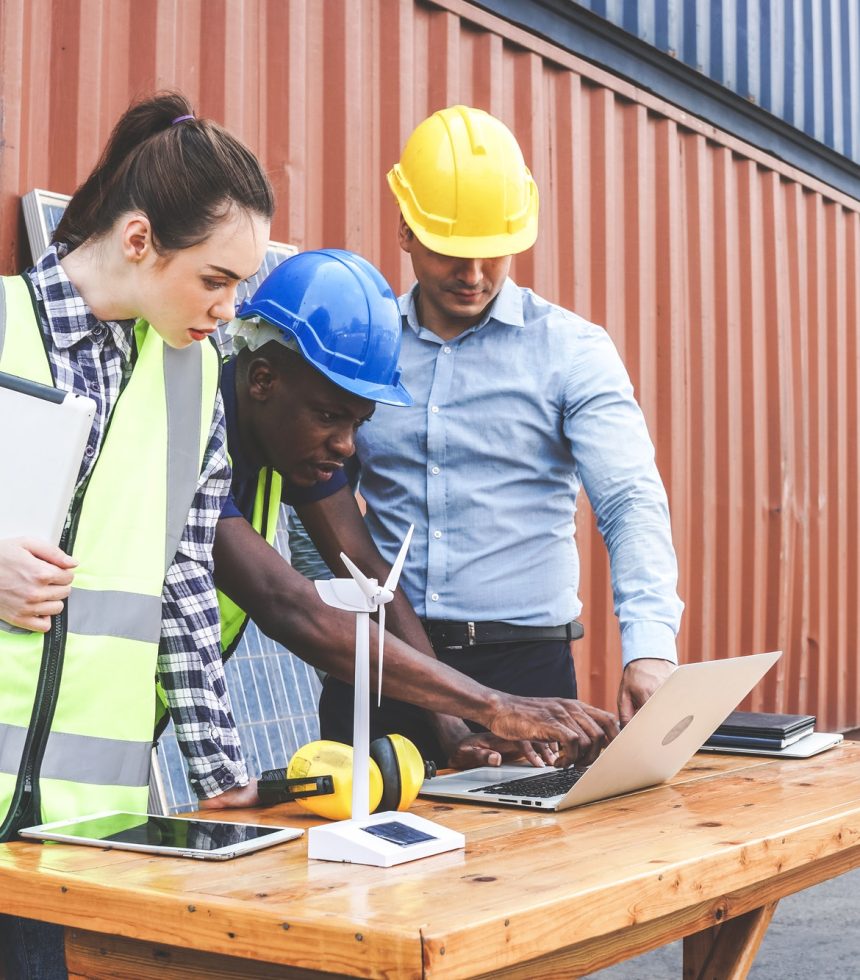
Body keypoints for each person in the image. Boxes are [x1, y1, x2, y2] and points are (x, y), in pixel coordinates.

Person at [312, 105, 684, 765]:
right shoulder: (363, 347)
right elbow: (316, 499)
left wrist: (650, 646)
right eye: (452, 252)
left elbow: (629, 502)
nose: (475, 274)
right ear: (406, 229)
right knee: (353, 863)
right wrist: (333, 632)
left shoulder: (573, 352)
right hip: (384, 667)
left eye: (494, 252)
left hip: (526, 672)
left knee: (523, 866)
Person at [0, 91, 273, 978]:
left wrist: (218, 772)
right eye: (215, 279)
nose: (228, 309)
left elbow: (187, 584)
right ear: (137, 241)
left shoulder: (198, 386)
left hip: (83, 838)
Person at [206, 248, 619, 772]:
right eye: (331, 417)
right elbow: (288, 605)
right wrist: (494, 706)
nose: (346, 446)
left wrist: (450, 731)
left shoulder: (293, 439)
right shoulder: (193, 433)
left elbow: (367, 571)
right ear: (263, 380)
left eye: (359, 423)